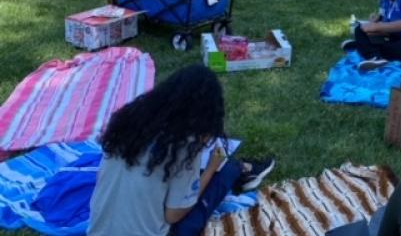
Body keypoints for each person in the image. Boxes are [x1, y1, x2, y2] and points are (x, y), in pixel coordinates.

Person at [88, 65, 275, 236]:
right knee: (224, 172)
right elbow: (173, 215)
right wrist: (211, 169)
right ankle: (239, 169)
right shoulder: (184, 146)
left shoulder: (128, 123)